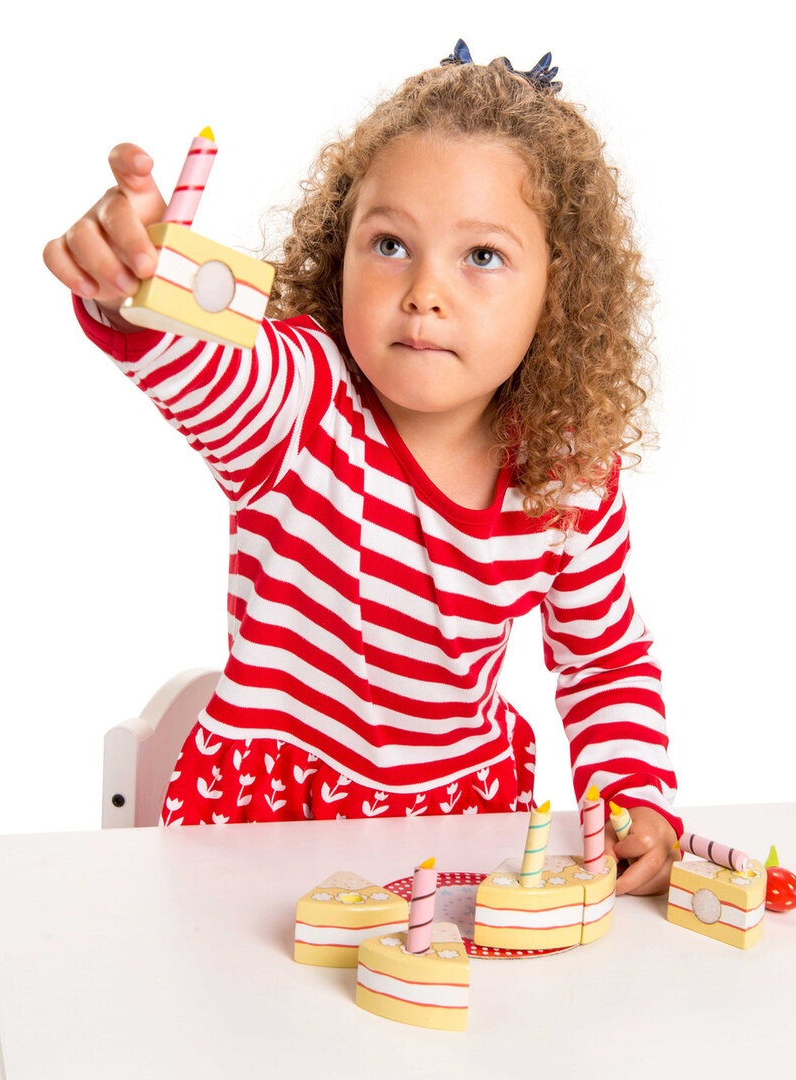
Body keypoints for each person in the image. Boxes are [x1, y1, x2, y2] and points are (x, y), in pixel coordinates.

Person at [43, 41, 680, 894]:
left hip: (460, 830)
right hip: (263, 839)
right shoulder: (306, 402)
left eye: (481, 257)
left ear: (555, 292)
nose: (424, 292)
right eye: (389, 244)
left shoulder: (566, 476)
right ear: (340, 251)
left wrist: (637, 798)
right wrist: (134, 288)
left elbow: (604, 659)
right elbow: (209, 359)